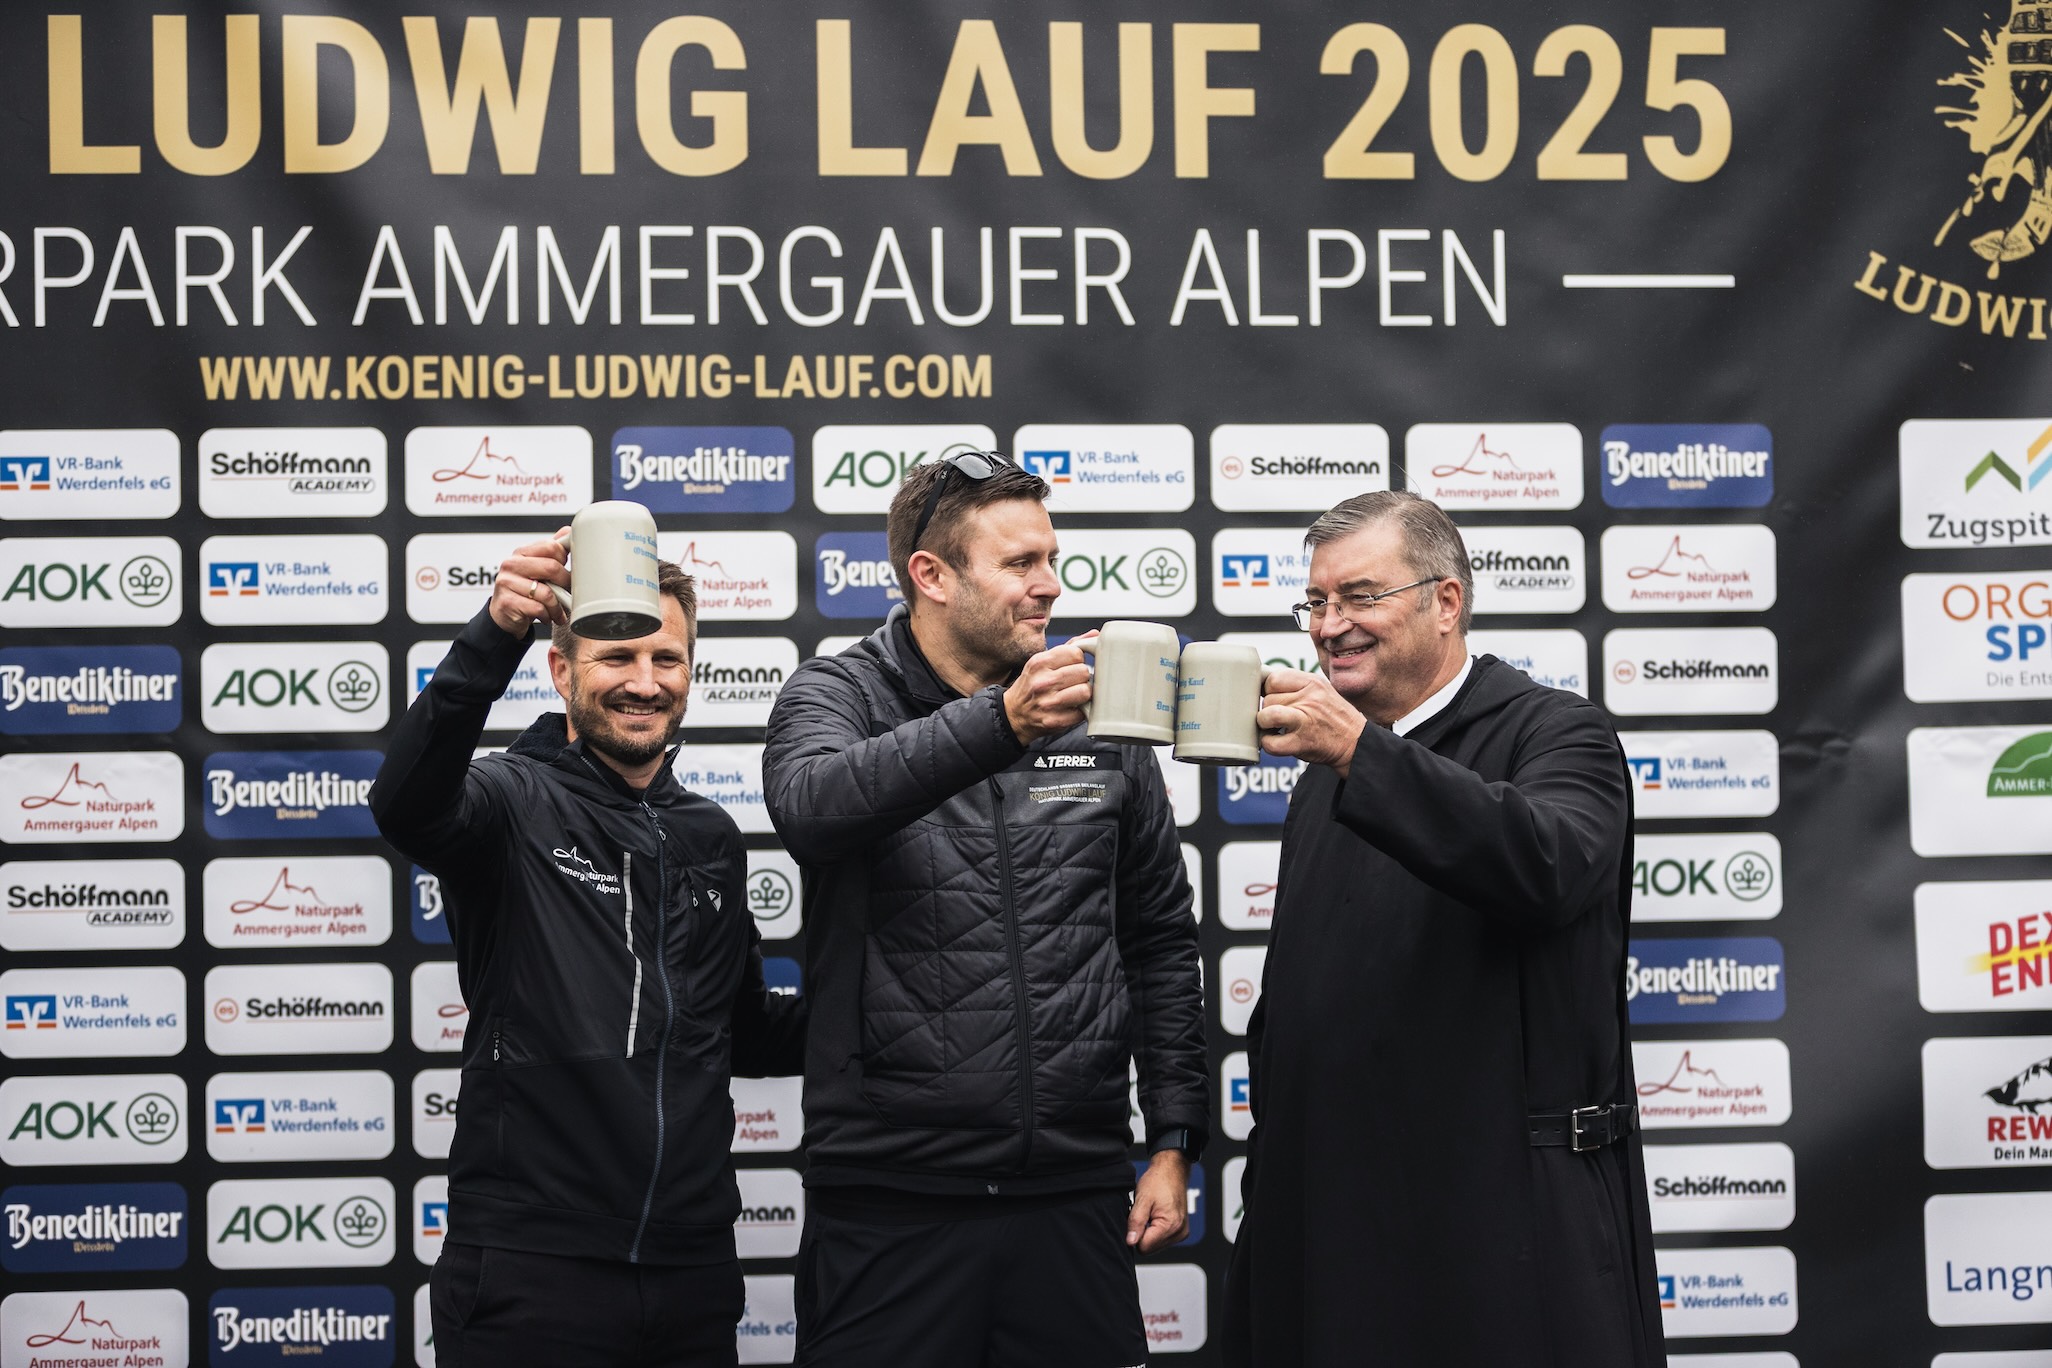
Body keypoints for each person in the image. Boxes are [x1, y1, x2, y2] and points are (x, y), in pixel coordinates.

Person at [762, 451, 1209, 1368]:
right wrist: (1001, 723)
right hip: (891, 1200)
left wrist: (1172, 1142)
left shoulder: (1099, 710)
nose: (1050, 585)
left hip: (1074, 1193)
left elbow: (1158, 939)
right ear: (932, 575)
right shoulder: (838, 693)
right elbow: (810, 808)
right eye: (1020, 564)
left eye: (1051, 559)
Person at [1221, 491, 1662, 1366]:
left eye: (1360, 597)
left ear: (1446, 601)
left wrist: (1357, 751)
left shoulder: (1557, 732)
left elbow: (1545, 867)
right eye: (1316, 603)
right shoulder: (1323, 775)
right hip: (1330, 1224)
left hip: (1498, 1235)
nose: (1330, 626)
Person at [371, 534, 804, 1368]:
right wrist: (495, 632)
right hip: (533, 1268)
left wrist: (900, 1005)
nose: (645, 681)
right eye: (616, 656)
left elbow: (744, 1032)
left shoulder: (711, 835)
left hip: (693, 1271)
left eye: (666, 658)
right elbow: (404, 804)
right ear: (562, 671)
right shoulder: (507, 798)